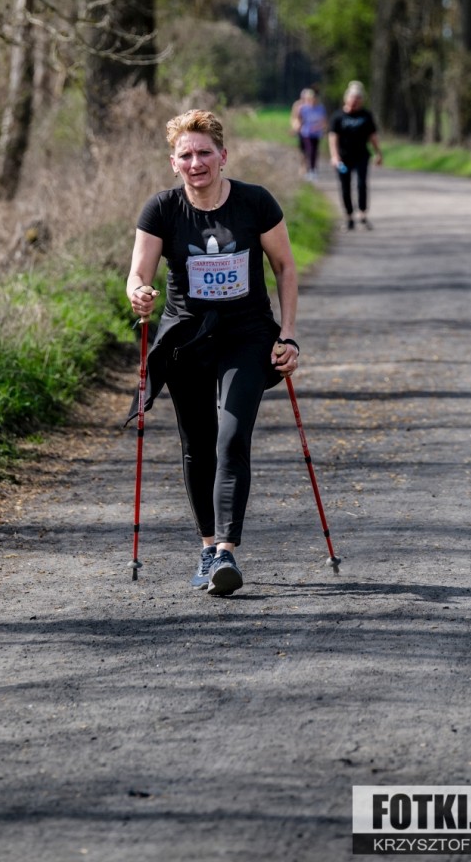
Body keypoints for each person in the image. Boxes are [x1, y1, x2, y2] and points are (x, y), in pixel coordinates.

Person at [126, 109, 300, 597]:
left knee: (232, 436)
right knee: (197, 445)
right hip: (186, 338)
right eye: (186, 155)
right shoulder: (161, 210)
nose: (196, 162)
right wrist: (138, 294)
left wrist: (288, 336)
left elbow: (285, 267)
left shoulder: (255, 203)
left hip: (247, 335)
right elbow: (138, 274)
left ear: (223, 156)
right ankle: (207, 548)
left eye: (204, 152)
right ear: (173, 163)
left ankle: (226, 551)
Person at [328, 79, 383, 230]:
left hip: (361, 156)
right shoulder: (338, 116)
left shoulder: (366, 116)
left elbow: (373, 136)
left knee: (361, 184)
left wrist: (378, 153)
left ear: (362, 100)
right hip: (343, 157)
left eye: (358, 99)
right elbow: (333, 138)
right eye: (353, 98)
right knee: (345, 186)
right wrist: (334, 156)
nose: (355, 102)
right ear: (346, 98)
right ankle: (349, 217)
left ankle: (363, 215)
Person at [293, 85, 328, 180]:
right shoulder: (303, 108)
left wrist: (319, 127)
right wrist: (297, 127)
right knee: (309, 150)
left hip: (316, 133)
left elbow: (324, 121)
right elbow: (298, 119)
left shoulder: (321, 108)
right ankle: (309, 169)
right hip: (306, 133)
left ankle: (313, 169)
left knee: (315, 151)